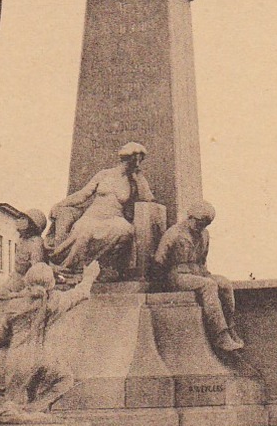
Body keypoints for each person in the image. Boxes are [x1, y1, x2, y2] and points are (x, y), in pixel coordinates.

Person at [0, 261, 100, 422]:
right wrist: (89, 277)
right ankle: (34, 410)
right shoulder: (55, 302)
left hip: (18, 361)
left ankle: (25, 411)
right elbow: (81, 293)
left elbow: (1, 337)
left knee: (12, 405)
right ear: (51, 283)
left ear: (27, 281)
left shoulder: (15, 305)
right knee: (65, 379)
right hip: (44, 358)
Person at [49, 143, 154, 274]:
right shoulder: (104, 175)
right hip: (93, 216)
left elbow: (148, 198)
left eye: (139, 161)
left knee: (125, 230)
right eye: (134, 160)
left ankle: (101, 265)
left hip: (114, 217)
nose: (136, 164)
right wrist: (60, 204)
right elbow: (83, 195)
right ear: (125, 158)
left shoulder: (133, 181)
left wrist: (139, 178)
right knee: (84, 232)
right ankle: (72, 267)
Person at [155, 200, 244, 353]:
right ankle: (220, 335)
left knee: (224, 283)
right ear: (190, 217)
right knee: (208, 285)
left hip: (198, 272)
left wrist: (204, 273)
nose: (201, 227)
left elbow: (202, 260)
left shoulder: (204, 234)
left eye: (205, 224)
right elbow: (159, 260)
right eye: (199, 223)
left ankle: (229, 326)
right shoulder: (174, 233)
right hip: (179, 275)